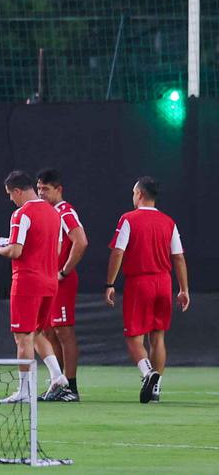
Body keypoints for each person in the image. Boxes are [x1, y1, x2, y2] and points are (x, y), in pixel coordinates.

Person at [104, 176, 190, 404]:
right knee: (158, 336)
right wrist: (183, 289)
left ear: (140, 194)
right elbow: (179, 257)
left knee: (134, 338)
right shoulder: (169, 222)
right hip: (163, 282)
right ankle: (156, 389)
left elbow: (118, 252)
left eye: (134, 193)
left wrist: (110, 283)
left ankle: (147, 373)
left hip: (139, 282)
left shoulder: (128, 219)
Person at [0, 171, 68, 404]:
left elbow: (15, 251)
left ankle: (24, 391)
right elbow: (58, 248)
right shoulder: (54, 213)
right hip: (49, 281)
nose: (11, 199)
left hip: (27, 282)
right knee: (38, 332)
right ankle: (57, 376)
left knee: (22, 337)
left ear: (18, 191)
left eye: (11, 194)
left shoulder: (21, 214)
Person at [35, 169, 89, 402]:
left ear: (59, 189)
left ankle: (72, 387)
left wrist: (64, 271)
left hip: (62, 281)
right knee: (48, 331)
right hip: (48, 280)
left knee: (64, 331)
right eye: (39, 189)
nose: (41, 193)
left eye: (46, 189)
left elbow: (81, 241)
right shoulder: (48, 212)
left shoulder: (64, 211)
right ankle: (59, 383)